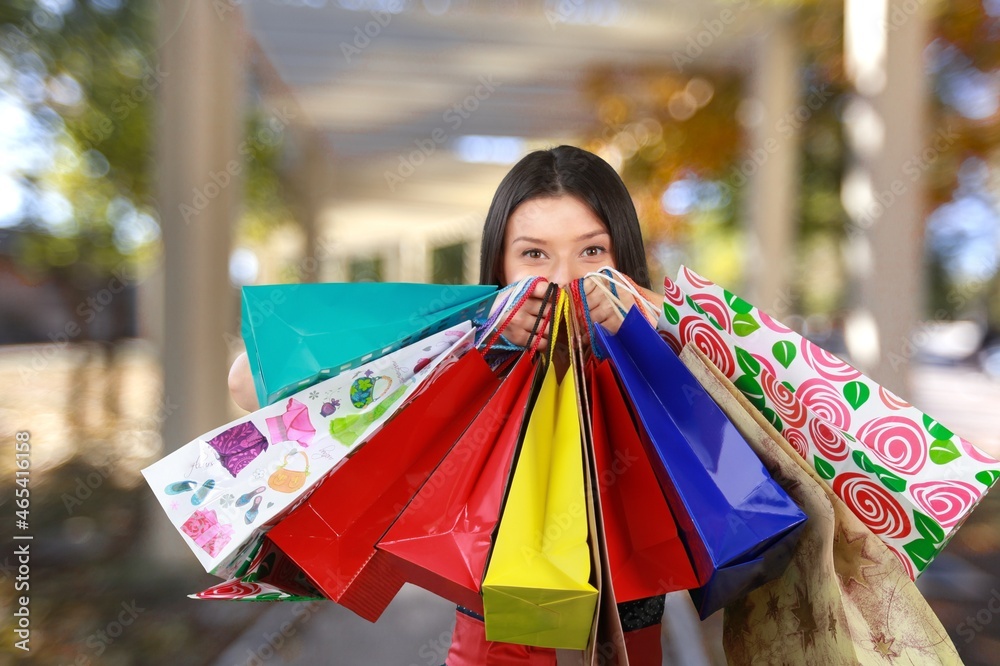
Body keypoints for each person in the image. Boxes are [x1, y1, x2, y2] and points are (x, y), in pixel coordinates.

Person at [226, 145, 667, 663]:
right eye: (534, 254)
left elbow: (775, 398)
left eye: (591, 251)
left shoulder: (666, 354)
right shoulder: (474, 354)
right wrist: (479, 324)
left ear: (623, 257)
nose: (564, 279)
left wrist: (653, 319)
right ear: (501, 265)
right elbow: (245, 384)